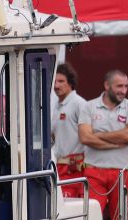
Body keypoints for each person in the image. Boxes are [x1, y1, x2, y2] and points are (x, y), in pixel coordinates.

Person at [78, 69, 128, 220]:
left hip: (123, 171)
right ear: (107, 85)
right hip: (94, 170)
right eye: (119, 86)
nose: (124, 90)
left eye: (126, 86)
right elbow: (84, 137)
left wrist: (97, 136)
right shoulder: (88, 106)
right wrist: (116, 141)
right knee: (90, 215)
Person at [52, 63, 85, 199]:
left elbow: (90, 135)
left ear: (71, 83)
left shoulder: (79, 104)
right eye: (54, 81)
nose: (56, 85)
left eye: (61, 81)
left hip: (74, 169)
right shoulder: (57, 106)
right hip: (59, 168)